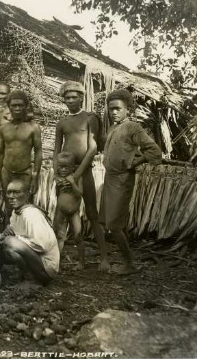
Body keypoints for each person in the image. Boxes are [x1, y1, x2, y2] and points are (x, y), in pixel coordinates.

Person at [101, 89, 162, 275]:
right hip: (110, 178)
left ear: (128, 109)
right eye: (111, 109)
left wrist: (135, 161)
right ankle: (127, 260)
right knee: (112, 222)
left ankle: (129, 264)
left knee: (114, 225)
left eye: (118, 108)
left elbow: (153, 149)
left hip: (122, 179)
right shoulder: (113, 128)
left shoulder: (132, 127)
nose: (114, 112)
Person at [54, 80, 110, 271]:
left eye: (74, 97)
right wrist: (57, 174)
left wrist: (77, 174)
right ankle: (55, 259)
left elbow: (92, 148)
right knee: (62, 214)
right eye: (67, 97)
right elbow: (56, 150)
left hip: (83, 172)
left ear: (81, 97)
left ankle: (104, 258)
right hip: (65, 173)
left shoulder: (89, 118)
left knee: (93, 214)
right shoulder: (62, 122)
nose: (70, 100)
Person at [0, 179, 59, 285]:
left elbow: (42, 246)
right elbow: (9, 234)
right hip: (36, 261)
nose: (11, 196)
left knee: (10, 242)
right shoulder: (16, 212)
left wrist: (15, 238)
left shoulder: (30, 214)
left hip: (46, 268)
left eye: (16, 192)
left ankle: (30, 279)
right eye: (9, 192)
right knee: (3, 245)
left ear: (26, 195)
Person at [0, 90, 42, 220]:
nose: (17, 108)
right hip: (7, 172)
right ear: (9, 106)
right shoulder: (4, 128)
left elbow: (38, 151)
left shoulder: (33, 127)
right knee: (9, 205)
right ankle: (8, 235)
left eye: (20, 105)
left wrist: (35, 177)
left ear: (26, 106)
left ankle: (24, 237)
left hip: (25, 172)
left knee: (25, 206)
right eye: (14, 105)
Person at [52, 151, 84, 270]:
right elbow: (57, 195)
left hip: (74, 212)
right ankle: (57, 262)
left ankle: (81, 262)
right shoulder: (59, 179)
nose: (63, 170)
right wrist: (59, 184)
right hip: (61, 211)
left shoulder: (77, 177)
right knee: (59, 236)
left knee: (78, 236)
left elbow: (79, 193)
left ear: (73, 167)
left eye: (66, 167)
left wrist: (72, 182)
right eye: (60, 167)